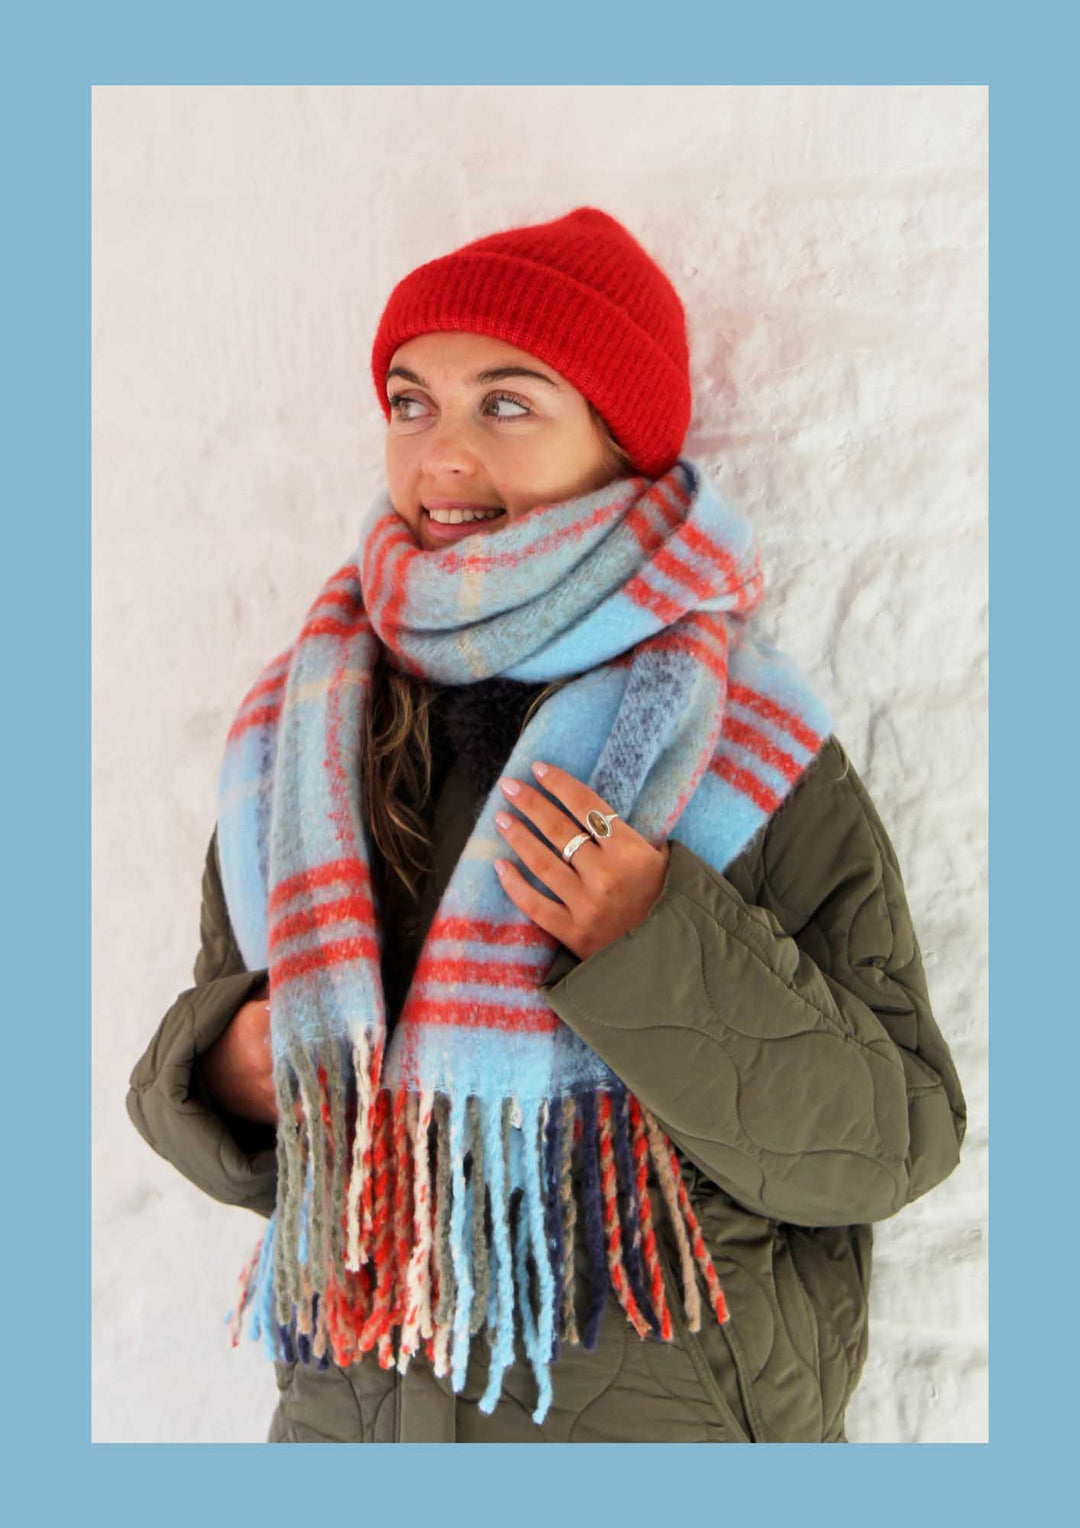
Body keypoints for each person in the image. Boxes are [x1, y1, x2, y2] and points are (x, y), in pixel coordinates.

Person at [126, 206, 967, 1444]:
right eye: (412, 403)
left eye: (505, 405)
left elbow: (894, 1143)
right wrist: (223, 1074)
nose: (442, 458)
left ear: (617, 439)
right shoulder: (303, 738)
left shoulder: (742, 741)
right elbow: (293, 1164)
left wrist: (655, 941)